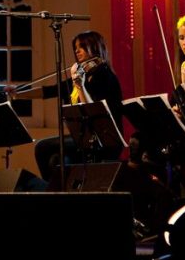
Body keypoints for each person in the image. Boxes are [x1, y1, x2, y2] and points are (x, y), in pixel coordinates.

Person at [33, 30, 124, 181]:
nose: (77, 50)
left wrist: (80, 85)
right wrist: (16, 94)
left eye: (82, 46)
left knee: (44, 148)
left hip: (103, 140)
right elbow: (49, 91)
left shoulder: (105, 76)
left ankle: (53, 192)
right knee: (50, 155)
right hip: (85, 137)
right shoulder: (83, 76)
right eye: (76, 47)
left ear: (95, 47)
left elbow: (93, 109)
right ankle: (55, 192)